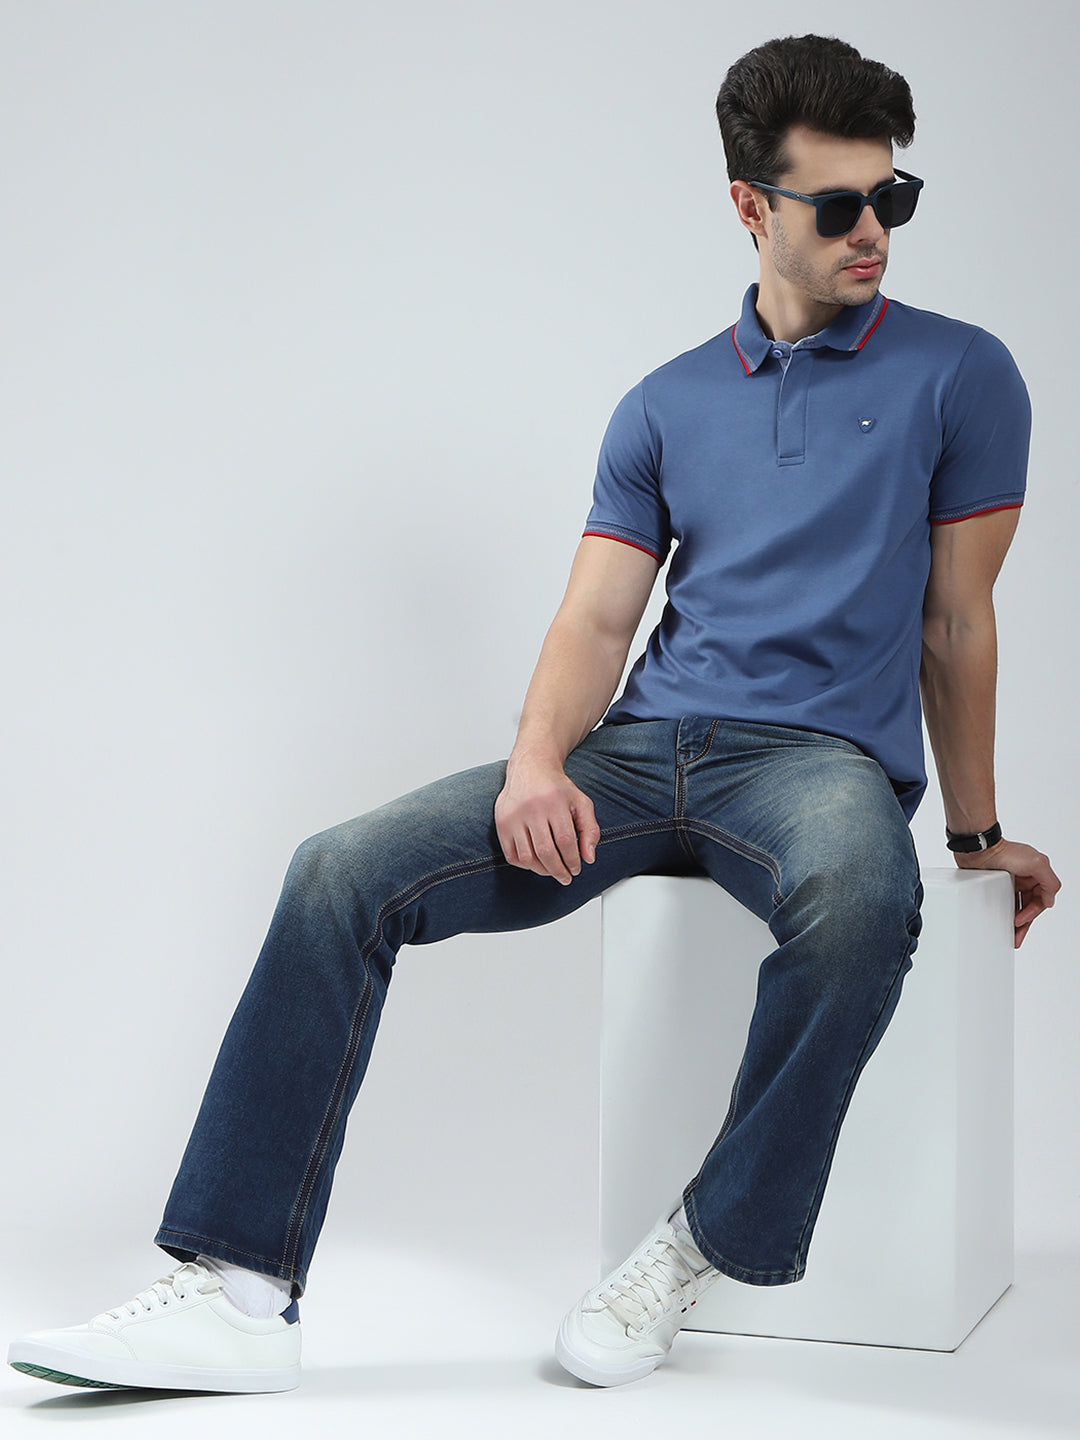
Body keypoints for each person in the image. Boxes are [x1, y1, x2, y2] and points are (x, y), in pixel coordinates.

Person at [8, 33, 1061, 1395]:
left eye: (893, 197)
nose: (875, 231)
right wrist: (534, 763)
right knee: (336, 871)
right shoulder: (665, 403)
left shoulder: (962, 375)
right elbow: (598, 621)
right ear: (749, 206)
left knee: (867, 902)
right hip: (640, 751)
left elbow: (956, 621)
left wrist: (975, 835)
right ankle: (237, 1291)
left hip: (816, 763)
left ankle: (692, 1249)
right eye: (840, 205)